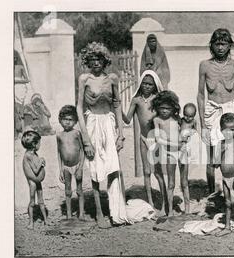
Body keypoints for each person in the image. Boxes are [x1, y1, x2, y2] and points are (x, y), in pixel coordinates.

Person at [76, 42, 127, 228]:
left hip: (109, 123)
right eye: (92, 59)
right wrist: (86, 139)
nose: (96, 62)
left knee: (113, 167)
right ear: (88, 60)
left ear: (104, 60)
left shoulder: (112, 78)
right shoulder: (84, 79)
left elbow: (117, 105)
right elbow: (79, 107)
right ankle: (99, 212)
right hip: (92, 124)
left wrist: (121, 133)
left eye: (99, 59)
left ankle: (115, 212)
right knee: (96, 168)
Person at [197, 28, 234, 196]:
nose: (220, 48)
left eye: (224, 44)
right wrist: (202, 123)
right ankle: (211, 194)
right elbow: (201, 94)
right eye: (217, 44)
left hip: (231, 111)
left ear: (230, 45)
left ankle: (232, 192)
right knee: (211, 158)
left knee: (232, 154)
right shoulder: (205, 65)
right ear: (212, 45)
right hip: (212, 111)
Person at [122, 70, 167, 211]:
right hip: (143, 139)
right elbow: (128, 119)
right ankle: (150, 203)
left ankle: (165, 203)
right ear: (140, 84)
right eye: (144, 84)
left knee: (158, 172)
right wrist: (117, 109)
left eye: (150, 84)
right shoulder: (136, 100)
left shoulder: (158, 99)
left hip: (157, 139)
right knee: (147, 171)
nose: (147, 86)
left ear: (155, 86)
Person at [152, 90, 184, 216]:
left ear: (173, 108)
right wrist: (175, 145)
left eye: (167, 108)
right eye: (162, 108)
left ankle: (186, 208)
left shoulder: (177, 119)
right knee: (171, 181)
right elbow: (158, 139)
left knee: (184, 180)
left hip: (181, 152)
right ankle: (169, 210)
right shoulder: (157, 120)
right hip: (169, 152)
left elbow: (185, 132)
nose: (164, 111)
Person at [214, 113, 234, 239]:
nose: (228, 132)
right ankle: (227, 227)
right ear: (221, 130)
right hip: (225, 177)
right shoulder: (220, 144)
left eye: (232, 130)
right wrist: (220, 153)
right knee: (227, 202)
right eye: (225, 129)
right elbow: (215, 164)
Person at [57, 105, 87, 220]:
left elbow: (82, 150)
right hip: (66, 167)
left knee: (79, 190)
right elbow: (59, 153)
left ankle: (81, 213)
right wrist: (60, 170)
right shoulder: (59, 135)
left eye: (70, 120)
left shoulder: (77, 133)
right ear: (60, 120)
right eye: (65, 119)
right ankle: (69, 215)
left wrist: (80, 167)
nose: (67, 122)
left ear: (75, 121)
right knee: (68, 191)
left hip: (76, 165)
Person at [21, 128, 47, 229]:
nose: (40, 145)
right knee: (32, 202)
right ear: (34, 144)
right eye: (39, 143)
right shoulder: (28, 155)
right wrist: (41, 162)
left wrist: (41, 163)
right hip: (33, 182)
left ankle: (46, 220)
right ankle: (31, 223)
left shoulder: (33, 153)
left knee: (41, 201)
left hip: (37, 181)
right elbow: (35, 171)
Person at [179, 103, 200, 213]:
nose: (188, 118)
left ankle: (187, 207)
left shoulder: (194, 122)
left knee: (185, 179)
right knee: (181, 177)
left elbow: (196, 133)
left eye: (191, 116)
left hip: (187, 149)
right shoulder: (180, 121)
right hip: (179, 148)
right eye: (186, 115)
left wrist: (191, 133)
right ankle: (184, 202)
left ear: (194, 115)